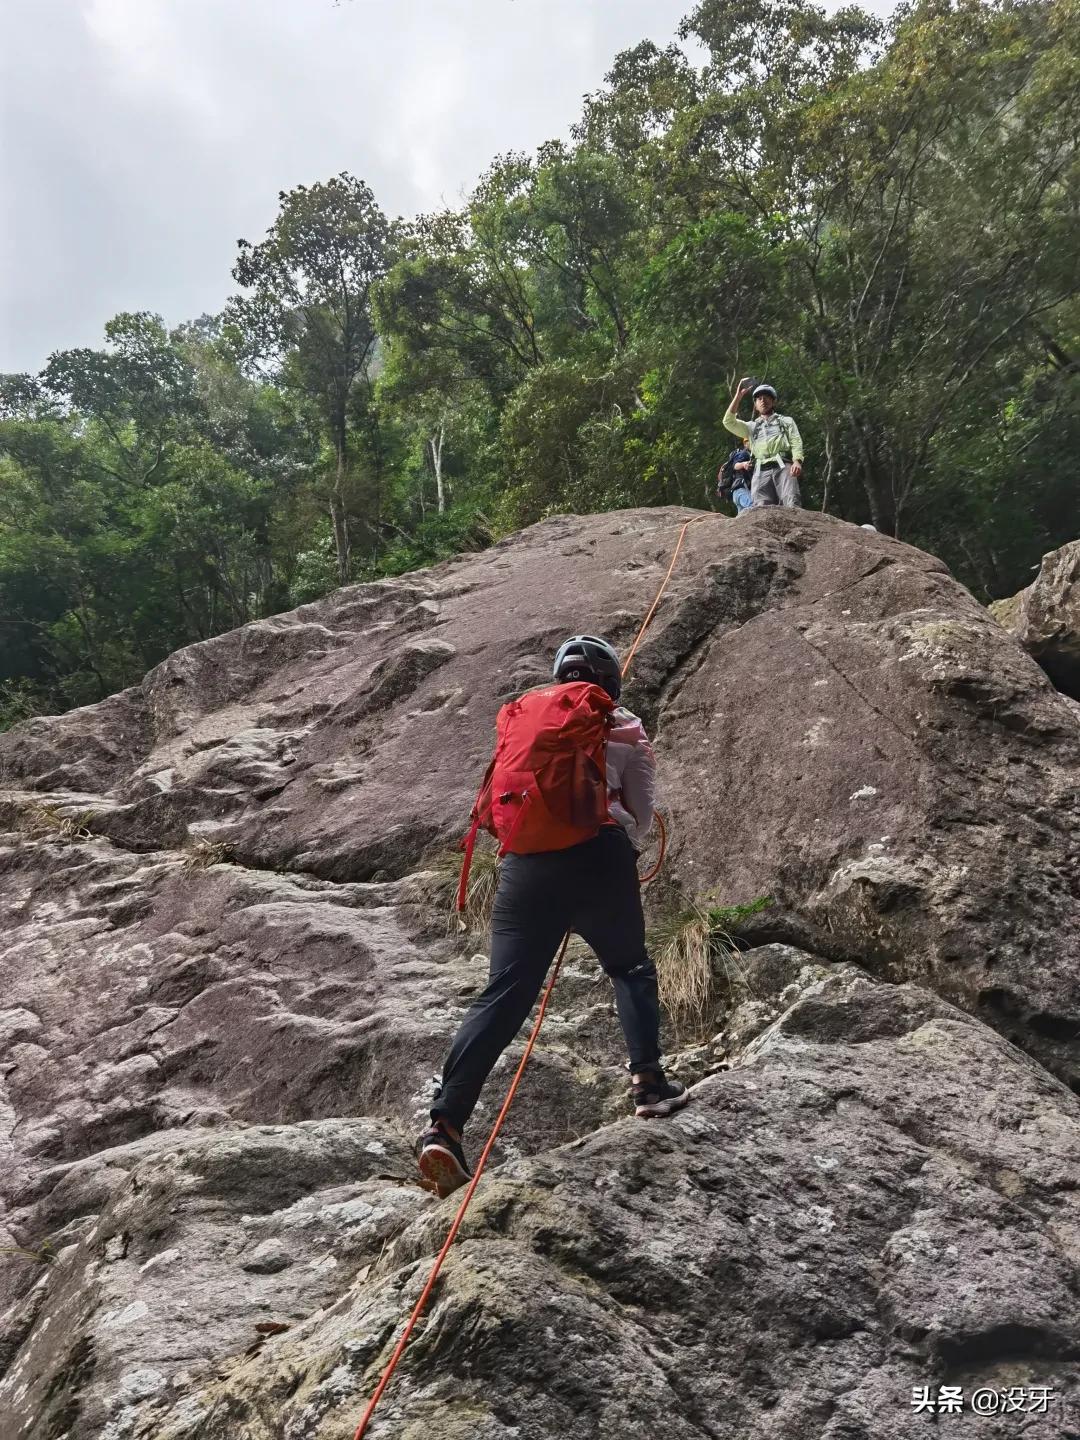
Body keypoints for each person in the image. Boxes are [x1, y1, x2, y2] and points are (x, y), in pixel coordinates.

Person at [417, 635, 689, 1197]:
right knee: (629, 969)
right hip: (599, 856)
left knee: (503, 994)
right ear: (610, 683)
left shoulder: (523, 721)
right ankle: (649, 1086)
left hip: (526, 867)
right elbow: (641, 813)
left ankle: (444, 1125)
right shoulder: (627, 729)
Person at [723, 379, 804, 508]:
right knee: (761, 509)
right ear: (755, 405)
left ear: (773, 401)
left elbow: (796, 441)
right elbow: (728, 422)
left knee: (791, 502)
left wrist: (797, 461)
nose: (763, 400)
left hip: (783, 466)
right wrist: (738, 397)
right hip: (760, 471)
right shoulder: (751, 427)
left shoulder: (786, 421)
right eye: (759, 398)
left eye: (766, 397)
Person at [717, 442, 754, 514]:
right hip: (742, 490)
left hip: (736, 493)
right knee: (753, 509)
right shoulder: (744, 454)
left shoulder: (730, 463)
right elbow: (736, 466)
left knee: (743, 519)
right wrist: (743, 464)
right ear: (745, 444)